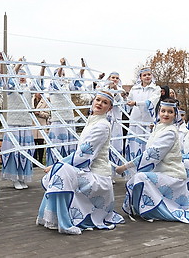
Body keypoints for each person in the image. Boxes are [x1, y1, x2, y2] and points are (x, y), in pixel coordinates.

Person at [37, 91, 125, 235]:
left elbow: (83, 155)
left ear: (109, 108)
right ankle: (57, 217)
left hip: (98, 177)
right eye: (98, 100)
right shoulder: (92, 121)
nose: (100, 104)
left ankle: (64, 218)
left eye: (105, 103)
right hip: (88, 171)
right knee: (62, 170)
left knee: (62, 171)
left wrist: (56, 165)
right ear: (93, 101)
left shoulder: (102, 126)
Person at [116, 99, 189, 224]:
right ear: (158, 112)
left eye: (170, 112)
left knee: (141, 177)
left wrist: (125, 167)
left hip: (172, 176)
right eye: (163, 111)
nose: (165, 114)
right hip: (161, 173)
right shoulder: (158, 129)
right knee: (139, 177)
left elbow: (151, 154)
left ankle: (155, 210)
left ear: (175, 115)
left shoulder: (170, 132)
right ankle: (145, 208)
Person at [1, 59, 35, 190]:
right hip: (14, 123)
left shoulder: (28, 88)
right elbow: (8, 80)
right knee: (14, 150)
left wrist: (42, 69)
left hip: (26, 123)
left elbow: (39, 84)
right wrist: (17, 66)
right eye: (19, 75)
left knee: (25, 150)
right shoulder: (12, 88)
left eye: (23, 75)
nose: (22, 77)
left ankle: (22, 177)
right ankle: (14, 178)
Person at [46, 58, 83, 166]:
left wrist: (82, 70)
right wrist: (61, 65)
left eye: (64, 74)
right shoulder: (53, 86)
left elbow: (76, 82)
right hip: (58, 120)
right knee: (57, 147)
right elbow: (56, 81)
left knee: (70, 147)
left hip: (69, 119)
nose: (63, 75)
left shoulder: (66, 86)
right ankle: (54, 170)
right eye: (61, 73)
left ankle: (68, 171)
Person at [125, 68, 161, 161]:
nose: (147, 77)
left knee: (147, 144)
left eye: (149, 74)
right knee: (133, 145)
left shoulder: (156, 89)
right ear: (140, 77)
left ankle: (145, 165)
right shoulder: (134, 88)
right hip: (134, 121)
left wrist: (136, 103)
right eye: (144, 75)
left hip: (148, 122)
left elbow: (151, 102)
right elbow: (128, 103)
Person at [100, 72, 125, 175]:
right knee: (103, 146)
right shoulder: (102, 88)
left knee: (115, 146)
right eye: (113, 77)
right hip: (104, 121)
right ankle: (103, 172)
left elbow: (120, 101)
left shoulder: (121, 90)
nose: (115, 79)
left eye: (117, 78)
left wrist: (115, 90)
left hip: (116, 122)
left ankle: (113, 171)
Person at [32, 92, 50, 164]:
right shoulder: (30, 100)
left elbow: (47, 114)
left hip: (41, 125)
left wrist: (39, 113)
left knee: (40, 144)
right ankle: (34, 161)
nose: (40, 94)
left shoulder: (45, 101)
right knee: (33, 144)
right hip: (32, 125)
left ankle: (40, 160)